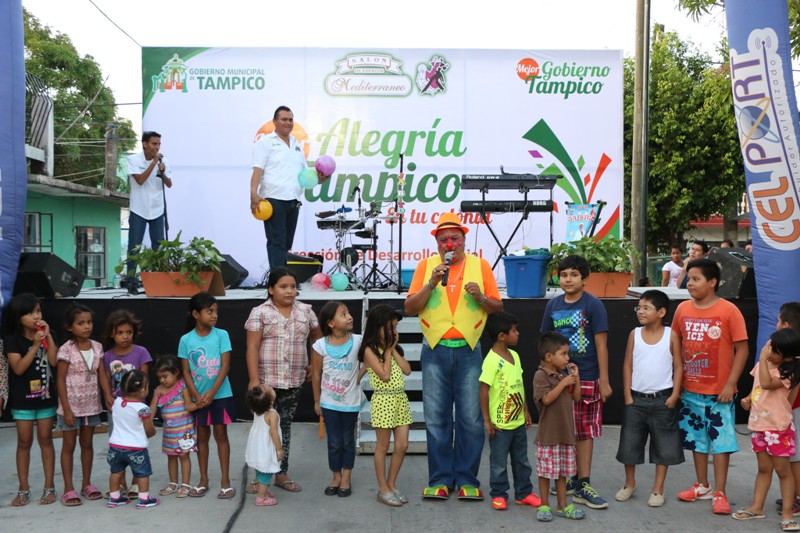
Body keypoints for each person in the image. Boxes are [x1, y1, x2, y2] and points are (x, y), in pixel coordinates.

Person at [404, 212, 502, 500]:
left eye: (455, 239)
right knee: (436, 418)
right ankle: (440, 479)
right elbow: (409, 308)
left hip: (470, 351)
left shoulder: (480, 266)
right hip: (435, 350)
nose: (450, 244)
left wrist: (480, 297)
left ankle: (467, 479)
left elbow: (497, 307)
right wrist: (431, 284)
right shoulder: (425, 267)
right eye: (444, 239)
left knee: (471, 419)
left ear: (464, 240)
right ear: (436, 242)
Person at [672, 257, 748, 514]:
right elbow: (675, 343)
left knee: (722, 442)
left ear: (712, 282)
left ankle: (720, 492)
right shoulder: (682, 309)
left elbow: (742, 349)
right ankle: (702, 485)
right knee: (697, 441)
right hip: (690, 391)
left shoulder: (729, 310)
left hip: (720, 394)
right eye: (689, 279)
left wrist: (730, 383)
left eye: (696, 279)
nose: (689, 283)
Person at [540, 254, 610, 509]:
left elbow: (601, 344)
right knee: (564, 429)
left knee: (584, 431)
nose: (568, 279)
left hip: (588, 376)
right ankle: (568, 479)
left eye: (574, 274)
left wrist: (604, 381)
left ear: (585, 279)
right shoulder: (553, 305)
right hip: (558, 379)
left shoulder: (593, 305)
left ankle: (583, 483)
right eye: (564, 274)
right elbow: (546, 342)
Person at [245, 267, 322, 493]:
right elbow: (252, 346)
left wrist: (314, 365)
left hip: (293, 381)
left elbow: (317, 339)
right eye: (283, 287)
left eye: (292, 287)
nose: (289, 291)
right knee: (262, 427)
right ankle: (259, 475)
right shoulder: (260, 312)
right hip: (266, 382)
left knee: (284, 427)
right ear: (270, 289)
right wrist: (253, 380)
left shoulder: (306, 311)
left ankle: (280, 472)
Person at [615, 289, 684, 507]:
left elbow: (679, 365)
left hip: (663, 399)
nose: (640, 312)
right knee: (629, 443)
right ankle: (629, 483)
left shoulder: (671, 335)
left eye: (646, 308)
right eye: (639, 307)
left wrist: (675, 394)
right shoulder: (634, 334)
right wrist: (627, 394)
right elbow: (627, 364)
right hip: (636, 399)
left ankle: (658, 488)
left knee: (663, 445)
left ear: (662, 311)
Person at [733, 329, 800, 530]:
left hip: (778, 428)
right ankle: (757, 507)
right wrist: (749, 399)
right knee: (763, 469)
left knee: (783, 471)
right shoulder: (762, 366)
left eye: (772, 349)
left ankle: (788, 514)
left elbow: (767, 384)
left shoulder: (789, 372)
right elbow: (758, 389)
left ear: (786, 355)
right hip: (760, 426)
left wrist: (762, 358)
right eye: (768, 347)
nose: (767, 351)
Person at [249, 105, 328, 272]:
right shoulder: (265, 143)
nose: (288, 122)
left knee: (286, 243)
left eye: (290, 119)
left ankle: (281, 281)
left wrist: (320, 180)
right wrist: (253, 194)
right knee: (276, 241)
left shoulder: (296, 144)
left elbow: (305, 177)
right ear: (275, 122)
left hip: (293, 201)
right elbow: (257, 170)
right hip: (273, 199)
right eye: (284, 119)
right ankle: (278, 283)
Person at [479, 311, 541, 511]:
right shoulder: (491, 361)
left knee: (522, 460)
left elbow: (519, 385)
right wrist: (487, 420)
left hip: (517, 424)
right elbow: (484, 390)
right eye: (514, 331)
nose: (518, 334)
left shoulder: (514, 355)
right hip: (500, 426)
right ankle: (499, 493)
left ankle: (523, 493)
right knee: (498, 462)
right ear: (502, 336)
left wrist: (526, 411)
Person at [179, 293, 235, 499]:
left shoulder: (222, 335)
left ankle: (225, 481)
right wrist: (197, 395)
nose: (214, 315)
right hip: (199, 398)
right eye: (209, 311)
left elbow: (225, 366)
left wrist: (211, 394)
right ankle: (203, 480)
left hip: (221, 396)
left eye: (216, 311)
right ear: (195, 314)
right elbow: (185, 371)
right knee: (201, 437)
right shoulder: (186, 340)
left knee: (221, 436)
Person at [3, 293, 58, 506]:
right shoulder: (12, 341)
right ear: (18, 317)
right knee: (24, 442)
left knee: (46, 440)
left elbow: (53, 360)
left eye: (38, 311)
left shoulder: (46, 334)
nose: (37, 316)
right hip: (23, 400)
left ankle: (49, 486)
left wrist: (48, 337)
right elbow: (18, 368)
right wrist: (35, 345)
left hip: (45, 399)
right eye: (31, 312)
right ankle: (23, 489)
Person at [55, 304, 111, 506]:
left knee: (87, 444)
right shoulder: (66, 349)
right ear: (70, 327)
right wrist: (67, 408)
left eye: (89, 322)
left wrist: (107, 396)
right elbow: (60, 380)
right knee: (69, 445)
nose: (87, 326)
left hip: (91, 405)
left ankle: (86, 484)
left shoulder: (97, 347)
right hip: (71, 406)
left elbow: (102, 374)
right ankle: (68, 488)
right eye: (81, 323)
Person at [360, 304, 412, 507]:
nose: (393, 332)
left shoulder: (394, 348)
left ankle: (392, 484)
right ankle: (382, 488)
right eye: (389, 328)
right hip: (383, 399)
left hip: (400, 399)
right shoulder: (369, 350)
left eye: (394, 328)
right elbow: (384, 375)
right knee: (383, 445)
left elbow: (407, 370)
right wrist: (388, 352)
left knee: (402, 445)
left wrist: (393, 350)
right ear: (377, 327)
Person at [311, 301, 363, 497]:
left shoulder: (358, 341)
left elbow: (370, 359)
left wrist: (360, 376)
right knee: (334, 441)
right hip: (329, 403)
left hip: (350, 402)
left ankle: (347, 477)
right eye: (343, 314)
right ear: (331, 323)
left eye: (348, 313)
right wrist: (317, 401)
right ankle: (336, 476)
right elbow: (316, 374)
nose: (349, 317)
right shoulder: (320, 345)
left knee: (348, 440)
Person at [99, 309, 152, 499]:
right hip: (117, 407)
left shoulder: (141, 352)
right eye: (120, 332)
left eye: (128, 332)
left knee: (137, 443)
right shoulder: (108, 356)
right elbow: (104, 375)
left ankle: (137, 483)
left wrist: (141, 402)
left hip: (135, 408)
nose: (125, 336)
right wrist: (107, 395)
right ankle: (119, 484)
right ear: (112, 333)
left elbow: (144, 377)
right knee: (118, 442)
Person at [533, 331, 584, 521]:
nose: (567, 358)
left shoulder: (563, 375)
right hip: (548, 435)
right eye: (563, 354)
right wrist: (563, 383)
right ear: (549, 356)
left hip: (565, 433)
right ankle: (544, 505)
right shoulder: (541, 375)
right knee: (546, 472)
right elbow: (546, 399)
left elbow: (576, 397)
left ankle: (562, 505)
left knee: (562, 472)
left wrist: (575, 379)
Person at [125, 130, 172, 294]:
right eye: (154, 144)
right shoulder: (133, 159)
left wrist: (163, 172)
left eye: (159, 144)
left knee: (158, 247)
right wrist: (153, 164)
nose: (157, 147)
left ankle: (158, 282)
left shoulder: (163, 161)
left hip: (157, 208)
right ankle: (131, 283)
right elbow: (140, 180)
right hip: (139, 208)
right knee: (134, 246)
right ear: (145, 144)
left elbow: (169, 184)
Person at [106, 369, 159, 508]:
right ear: (142, 390)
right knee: (142, 474)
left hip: (115, 446)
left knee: (116, 472)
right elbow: (149, 429)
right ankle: (144, 499)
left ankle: (114, 497)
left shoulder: (117, 402)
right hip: (135, 448)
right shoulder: (143, 408)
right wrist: (152, 432)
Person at [150, 355, 197, 499]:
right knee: (171, 456)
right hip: (169, 432)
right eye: (160, 377)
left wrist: (200, 404)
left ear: (176, 372)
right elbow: (152, 409)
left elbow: (189, 405)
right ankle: (173, 483)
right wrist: (147, 422)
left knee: (184, 456)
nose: (162, 380)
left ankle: (185, 484)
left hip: (184, 430)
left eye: (165, 376)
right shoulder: (159, 390)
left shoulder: (183, 386)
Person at [778, 303, 800, 514]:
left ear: (785, 325)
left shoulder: (794, 356)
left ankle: (798, 497)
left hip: (794, 408)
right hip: (792, 407)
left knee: (795, 457)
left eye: (778, 321)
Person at [245, 384, 283, 506]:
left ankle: (264, 492)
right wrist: (279, 449)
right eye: (270, 390)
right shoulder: (272, 414)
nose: (271, 388)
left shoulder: (256, 410)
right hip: (266, 448)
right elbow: (273, 432)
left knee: (260, 469)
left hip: (257, 447)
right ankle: (261, 498)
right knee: (266, 474)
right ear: (271, 400)